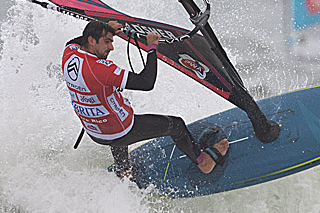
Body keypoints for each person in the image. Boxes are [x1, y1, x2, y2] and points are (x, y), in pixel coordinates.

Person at [62, 19, 229, 178]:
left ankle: (124, 170)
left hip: (94, 131)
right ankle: (204, 163)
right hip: (118, 132)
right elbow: (146, 82)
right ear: (91, 40)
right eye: (107, 41)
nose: (111, 47)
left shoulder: (69, 54)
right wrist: (152, 48)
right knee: (176, 125)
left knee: (110, 120)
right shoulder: (101, 70)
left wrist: (107, 28)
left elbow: (73, 41)